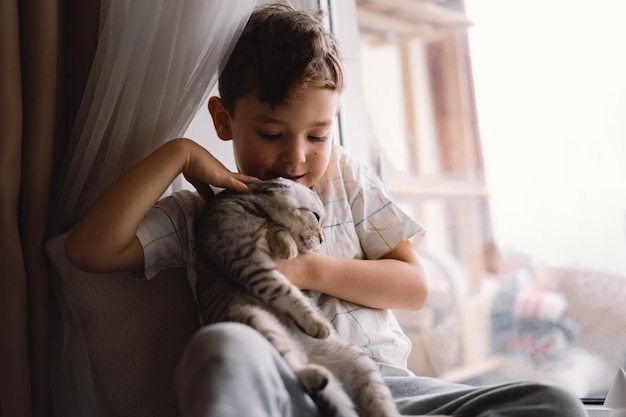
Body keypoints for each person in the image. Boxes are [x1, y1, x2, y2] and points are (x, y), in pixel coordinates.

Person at [65, 3, 587, 417]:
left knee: (553, 403)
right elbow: (89, 249)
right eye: (271, 134)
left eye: (318, 135)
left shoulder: (348, 179)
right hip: (281, 388)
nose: (295, 156)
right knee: (220, 349)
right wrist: (179, 153)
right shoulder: (202, 212)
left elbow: (414, 286)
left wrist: (306, 269)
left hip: (382, 387)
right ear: (223, 121)